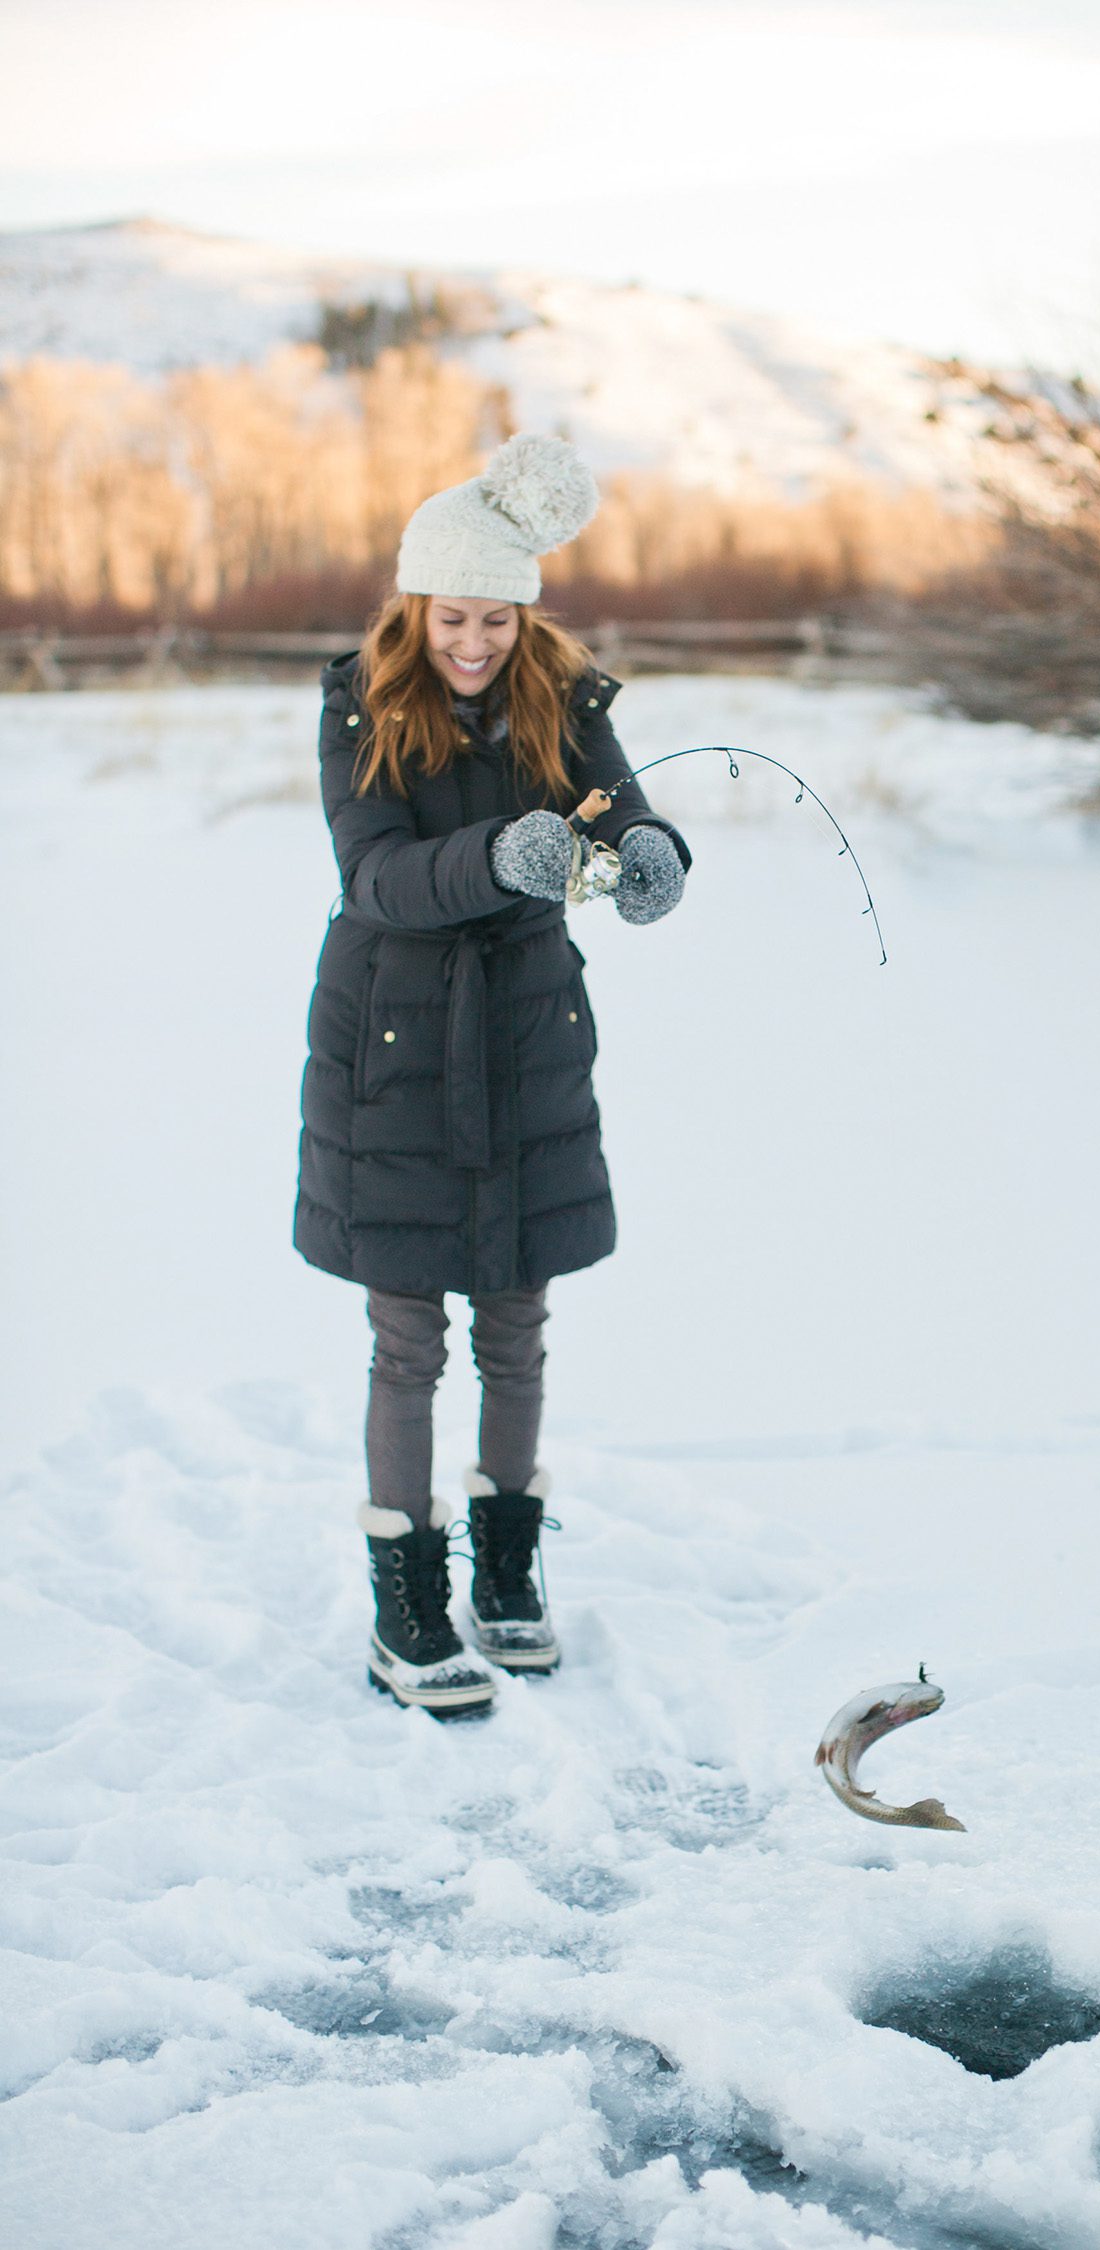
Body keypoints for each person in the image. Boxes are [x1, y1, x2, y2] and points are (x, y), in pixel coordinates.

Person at [292, 433, 690, 1719]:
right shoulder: (359, 700)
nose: (475, 642)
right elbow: (374, 876)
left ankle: (507, 1577)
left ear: (527, 613)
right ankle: (406, 1604)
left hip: (525, 1038)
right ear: (417, 609)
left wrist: (650, 852)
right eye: (454, 618)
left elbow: (621, 804)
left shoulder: (561, 698)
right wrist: (497, 859)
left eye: (498, 619)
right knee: (408, 1338)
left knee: (516, 1327)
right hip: (394, 1045)